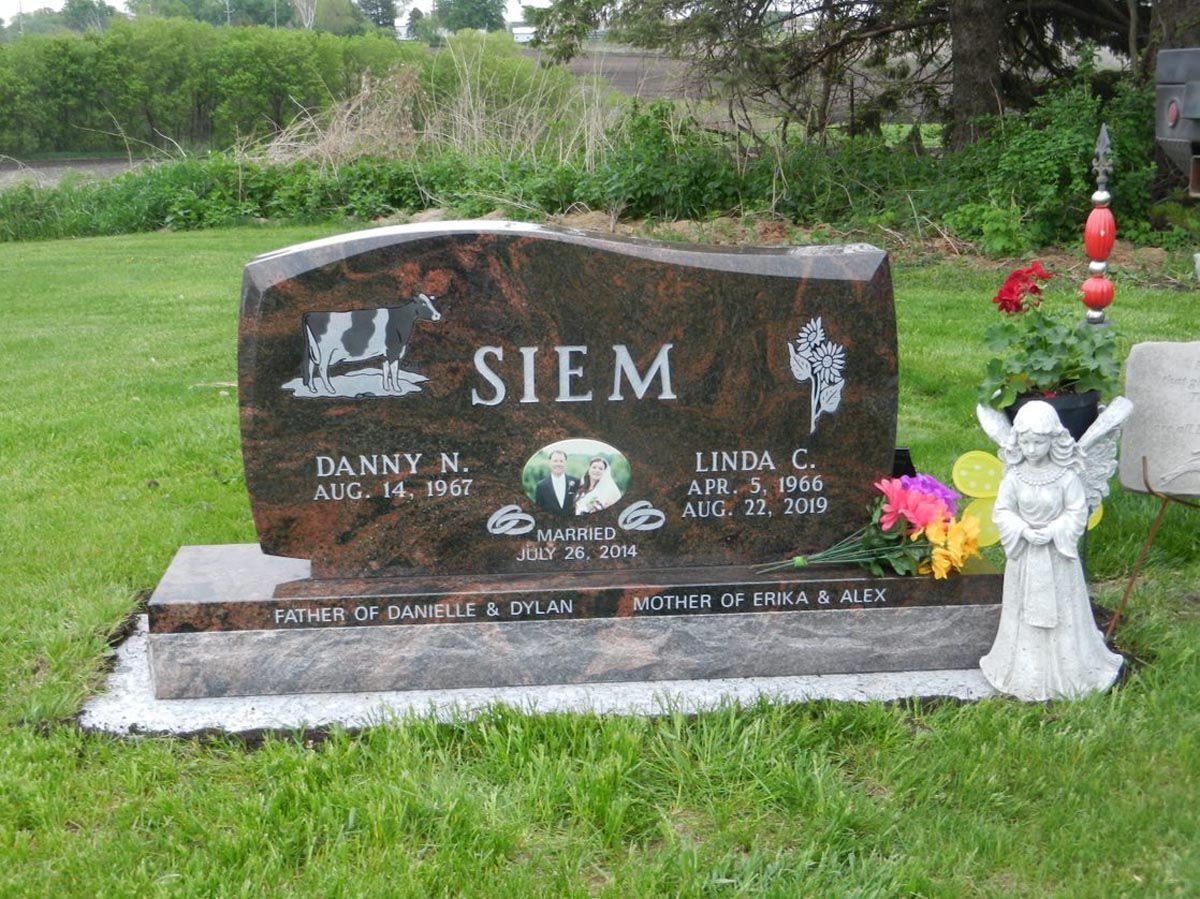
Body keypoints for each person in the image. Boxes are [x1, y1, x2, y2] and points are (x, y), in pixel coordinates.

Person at [979, 401, 1123, 701]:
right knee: (1023, 615)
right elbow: (1003, 511)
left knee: (1063, 611)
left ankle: (1070, 671)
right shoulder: (1015, 476)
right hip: (1025, 557)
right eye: (1025, 442)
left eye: (1038, 442)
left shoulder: (1066, 477)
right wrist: (1022, 529)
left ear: (1053, 440)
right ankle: (1023, 670)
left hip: (1058, 558)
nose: (1031, 449)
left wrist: (1055, 530)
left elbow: (1076, 511)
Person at [534, 449, 579, 516]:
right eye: (555, 461)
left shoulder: (576, 482)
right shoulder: (541, 486)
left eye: (561, 461)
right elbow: (539, 510)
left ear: (565, 463)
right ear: (550, 463)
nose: (558, 464)